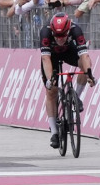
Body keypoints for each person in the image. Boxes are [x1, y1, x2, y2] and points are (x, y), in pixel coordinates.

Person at [40, 12, 96, 149]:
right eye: (57, 36)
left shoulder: (76, 30)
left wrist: (89, 74)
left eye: (63, 35)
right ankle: (54, 132)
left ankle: (76, 95)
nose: (59, 39)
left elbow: (85, 55)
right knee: (51, 91)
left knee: (85, 66)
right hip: (51, 56)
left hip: (69, 51)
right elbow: (45, 59)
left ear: (68, 29)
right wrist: (49, 80)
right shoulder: (45, 32)